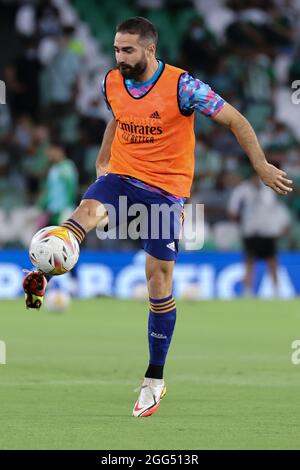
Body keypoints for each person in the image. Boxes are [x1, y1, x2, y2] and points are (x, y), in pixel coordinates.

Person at [22, 17, 293, 418]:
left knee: (158, 280)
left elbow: (235, 119)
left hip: (166, 191)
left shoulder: (184, 87)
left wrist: (261, 165)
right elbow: (117, 116)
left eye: (127, 51)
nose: (120, 57)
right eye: (116, 50)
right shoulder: (111, 81)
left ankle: (154, 379)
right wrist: (102, 163)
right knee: (84, 213)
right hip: (122, 175)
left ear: (150, 49)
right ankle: (47, 266)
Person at [228, 171, 291, 297]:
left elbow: (276, 208)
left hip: (268, 230)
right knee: (249, 261)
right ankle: (247, 290)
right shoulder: (242, 190)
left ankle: (276, 290)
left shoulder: (269, 189)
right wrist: (241, 221)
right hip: (251, 230)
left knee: (272, 261)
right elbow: (232, 210)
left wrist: (278, 225)